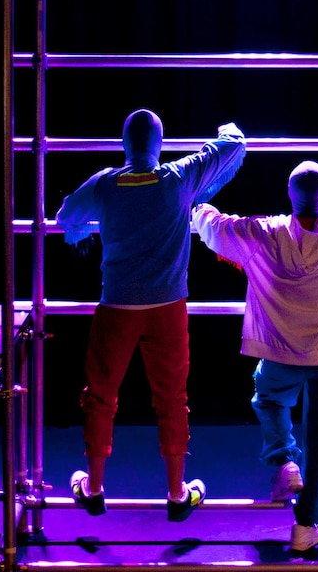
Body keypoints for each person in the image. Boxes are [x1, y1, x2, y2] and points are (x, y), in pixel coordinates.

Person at [191, 160, 318, 551]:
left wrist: (200, 205)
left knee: (268, 397)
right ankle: (308, 525)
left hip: (280, 353)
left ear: (289, 194)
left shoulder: (262, 233)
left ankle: (284, 459)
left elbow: (214, 227)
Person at [55, 108, 247, 521]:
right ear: (160, 145)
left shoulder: (104, 183)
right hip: (168, 307)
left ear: (123, 144)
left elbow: (65, 217)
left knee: (100, 396)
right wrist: (224, 125)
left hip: (116, 306)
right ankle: (178, 493)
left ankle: (93, 487)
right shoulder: (179, 178)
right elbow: (233, 144)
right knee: (172, 399)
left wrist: (82, 230)